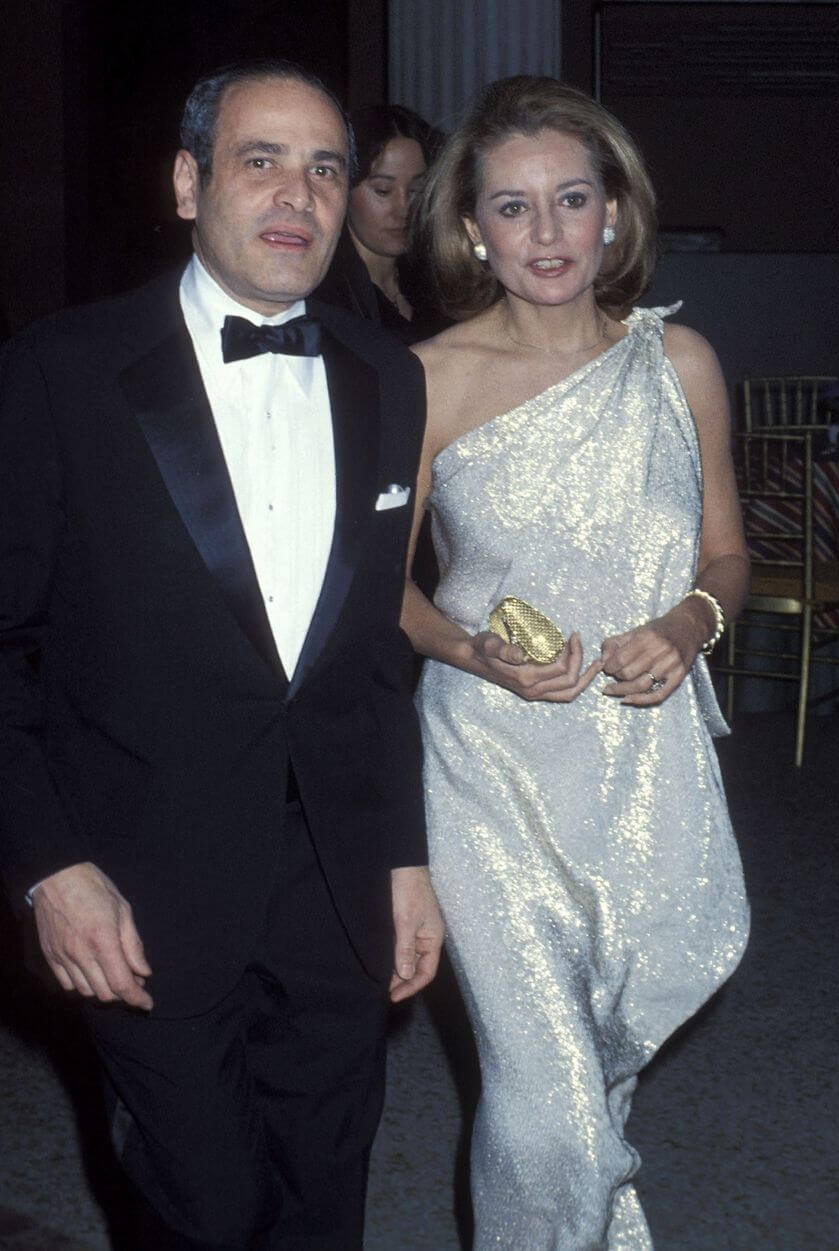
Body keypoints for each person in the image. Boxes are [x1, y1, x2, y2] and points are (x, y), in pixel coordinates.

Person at [0, 60, 442, 1250]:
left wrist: (403, 857)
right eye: (261, 161)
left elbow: (369, 654)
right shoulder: (62, 369)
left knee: (323, 1196)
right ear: (189, 184)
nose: (298, 194)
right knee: (200, 1207)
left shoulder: (388, 378)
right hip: (138, 883)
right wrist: (48, 867)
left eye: (326, 169)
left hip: (335, 880)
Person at [402, 75, 750, 1248]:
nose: (544, 231)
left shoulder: (678, 363)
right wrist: (469, 648)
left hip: (641, 765)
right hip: (486, 764)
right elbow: (381, 595)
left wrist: (689, 624)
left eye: (569, 199)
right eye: (511, 206)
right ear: (471, 230)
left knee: (595, 1069)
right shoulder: (427, 379)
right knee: (543, 1106)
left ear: (614, 212)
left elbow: (725, 556)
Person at [317, 104, 447, 345]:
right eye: (383, 190)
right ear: (344, 190)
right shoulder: (324, 296)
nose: (404, 209)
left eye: (416, 190)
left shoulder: (436, 280)